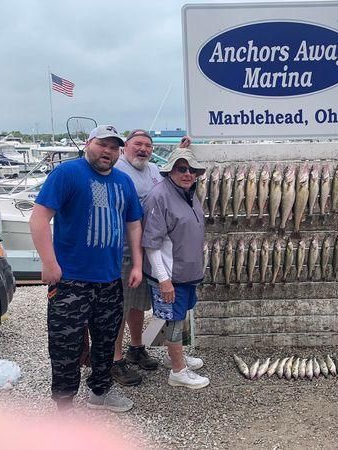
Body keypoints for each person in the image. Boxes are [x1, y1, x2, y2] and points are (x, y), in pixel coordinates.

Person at [29, 125, 143, 412]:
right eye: (102, 144)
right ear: (88, 143)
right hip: (71, 280)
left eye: (114, 147)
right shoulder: (67, 174)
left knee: (106, 342)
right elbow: (39, 218)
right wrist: (49, 262)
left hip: (109, 279)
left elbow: (133, 223)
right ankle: (64, 405)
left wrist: (137, 264)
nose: (107, 151)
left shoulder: (123, 182)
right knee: (65, 345)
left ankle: (101, 392)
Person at [111, 130, 191, 386]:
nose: (143, 149)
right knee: (119, 310)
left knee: (138, 306)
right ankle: (115, 359)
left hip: (147, 253)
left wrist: (181, 151)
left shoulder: (155, 169)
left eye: (148, 145)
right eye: (138, 144)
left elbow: (173, 175)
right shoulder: (117, 169)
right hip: (122, 252)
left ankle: (136, 348)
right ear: (125, 147)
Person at [141, 147, 209, 389]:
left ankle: (175, 356)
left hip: (187, 274)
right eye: (182, 168)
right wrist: (164, 280)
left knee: (180, 317)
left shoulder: (188, 193)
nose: (187, 173)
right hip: (171, 275)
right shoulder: (159, 196)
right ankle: (178, 372)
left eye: (192, 169)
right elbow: (152, 244)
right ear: (170, 170)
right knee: (175, 321)